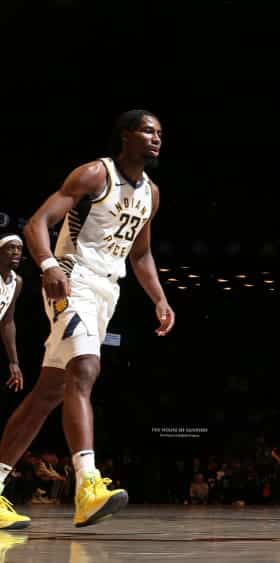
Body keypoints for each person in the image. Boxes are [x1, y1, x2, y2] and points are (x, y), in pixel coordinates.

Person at [0, 109, 175, 530]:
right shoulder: (96, 174)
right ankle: (88, 486)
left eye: (160, 133)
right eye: (147, 130)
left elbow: (140, 254)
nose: (156, 138)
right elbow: (38, 223)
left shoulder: (151, 194)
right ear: (125, 135)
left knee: (48, 394)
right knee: (85, 368)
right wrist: (48, 266)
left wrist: (160, 298)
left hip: (106, 292)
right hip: (71, 279)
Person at [0, 234, 24, 396]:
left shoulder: (17, 282)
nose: (16, 252)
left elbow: (7, 322)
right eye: (11, 248)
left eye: (19, 248)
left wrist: (14, 362)